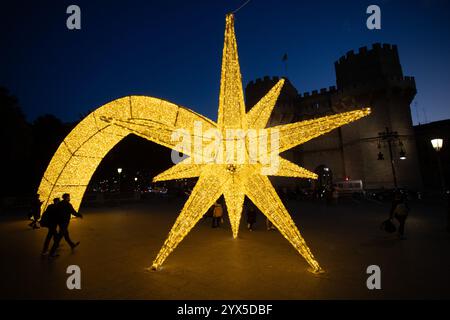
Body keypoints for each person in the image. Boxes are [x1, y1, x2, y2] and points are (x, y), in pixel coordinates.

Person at [49, 193, 83, 258]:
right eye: (69, 197)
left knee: (66, 235)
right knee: (59, 238)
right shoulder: (68, 204)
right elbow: (73, 212)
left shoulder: (59, 204)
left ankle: (72, 245)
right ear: (66, 197)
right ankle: (52, 252)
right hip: (64, 222)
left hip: (60, 222)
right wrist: (80, 215)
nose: (69, 198)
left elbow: (56, 212)